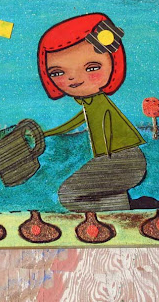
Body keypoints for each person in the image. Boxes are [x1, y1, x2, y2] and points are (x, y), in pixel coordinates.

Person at [38, 12, 147, 243]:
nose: (73, 79)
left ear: (113, 63)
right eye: (58, 72)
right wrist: (48, 133)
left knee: (68, 194)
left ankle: (120, 213)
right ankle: (123, 213)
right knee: (81, 193)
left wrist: (105, 154)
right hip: (117, 159)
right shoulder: (90, 103)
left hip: (124, 158)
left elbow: (108, 124)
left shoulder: (101, 103)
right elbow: (77, 121)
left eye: (92, 68)